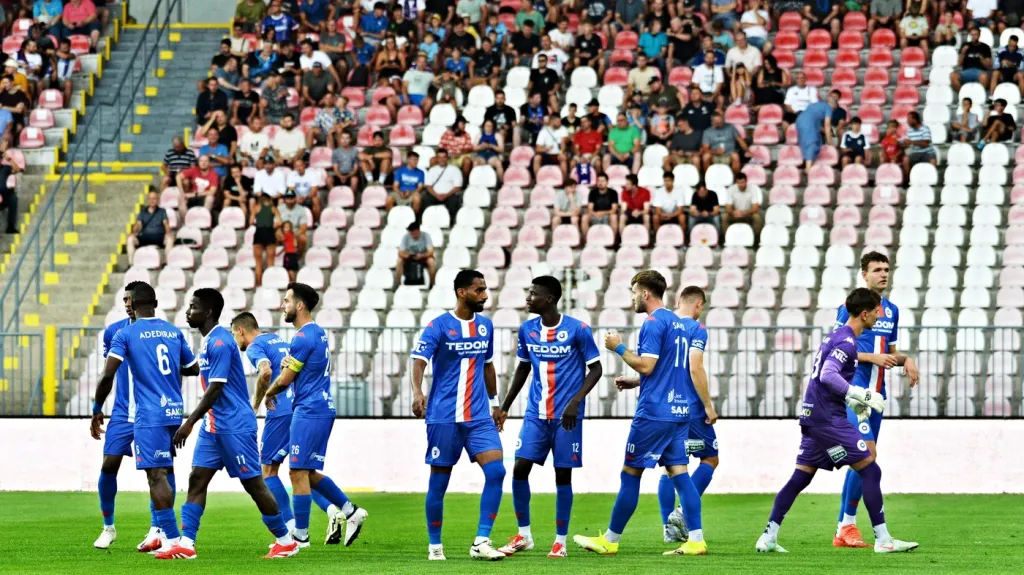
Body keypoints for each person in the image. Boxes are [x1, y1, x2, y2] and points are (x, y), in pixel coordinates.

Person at [756, 288, 919, 555]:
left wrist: (853, 403)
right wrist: (858, 393)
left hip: (813, 415)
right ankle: (883, 540)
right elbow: (828, 375)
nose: (879, 316)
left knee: (800, 477)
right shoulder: (847, 342)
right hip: (828, 419)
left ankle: (768, 536)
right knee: (870, 469)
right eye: (876, 311)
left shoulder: (836, 336)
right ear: (865, 314)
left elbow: (825, 377)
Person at [573, 270, 707, 556]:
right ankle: (696, 539)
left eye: (633, 292)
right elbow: (669, 369)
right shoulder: (679, 323)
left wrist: (617, 347)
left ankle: (610, 540)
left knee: (631, 474)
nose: (632, 297)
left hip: (655, 413)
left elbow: (647, 365)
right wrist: (634, 381)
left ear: (645, 293)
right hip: (680, 410)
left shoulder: (653, 323)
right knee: (680, 475)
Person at [157, 290, 298, 560]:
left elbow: (215, 389)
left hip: (234, 425)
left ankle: (285, 540)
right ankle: (187, 544)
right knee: (197, 479)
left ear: (208, 312)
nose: (187, 311)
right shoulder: (209, 341)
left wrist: (189, 423)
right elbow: (196, 370)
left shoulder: (221, 342)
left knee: (254, 484)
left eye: (193, 307)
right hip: (214, 426)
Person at [494, 276, 602, 558]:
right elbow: (523, 368)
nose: (528, 298)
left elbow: (596, 369)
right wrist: (505, 407)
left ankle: (560, 541)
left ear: (550, 299)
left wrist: (575, 402)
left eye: (533, 294)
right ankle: (524, 535)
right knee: (519, 469)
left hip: (566, 418)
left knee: (562, 475)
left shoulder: (578, 330)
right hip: (536, 415)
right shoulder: (527, 329)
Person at [91, 283, 200, 558]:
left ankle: (162, 533)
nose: (126, 303)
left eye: (128, 299)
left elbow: (107, 374)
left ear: (136, 302)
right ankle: (109, 527)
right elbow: (191, 367)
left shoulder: (128, 333)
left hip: (147, 411)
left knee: (160, 472)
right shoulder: (118, 331)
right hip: (129, 411)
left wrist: (95, 407)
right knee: (111, 465)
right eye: (123, 299)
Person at [263, 283, 370, 546]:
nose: (283, 305)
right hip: (319, 407)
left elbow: (286, 379)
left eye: (287, 300)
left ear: (299, 305)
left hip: (310, 409)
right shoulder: (318, 333)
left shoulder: (301, 337)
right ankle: (350, 511)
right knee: (305, 471)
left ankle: (300, 535)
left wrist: (269, 392)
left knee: (297, 472)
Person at [410, 269, 506, 561]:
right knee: (439, 482)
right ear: (462, 292)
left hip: (478, 416)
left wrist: (496, 402)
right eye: (479, 290)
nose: (485, 295)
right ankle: (435, 545)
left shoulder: (486, 326)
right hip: (443, 416)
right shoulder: (438, 326)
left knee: (497, 471)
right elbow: (418, 361)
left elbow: (488, 366)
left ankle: (481, 541)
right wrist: (417, 392)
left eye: (486, 289)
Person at [830, 253, 920, 547]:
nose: (883, 274)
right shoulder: (851, 308)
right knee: (866, 456)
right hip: (855, 393)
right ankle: (851, 526)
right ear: (864, 275)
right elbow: (836, 349)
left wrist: (907, 360)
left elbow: (890, 353)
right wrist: (872, 358)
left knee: (862, 458)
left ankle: (845, 528)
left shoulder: (891, 310)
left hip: (877, 396)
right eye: (877, 270)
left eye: (886, 269)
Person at [796, 90, 840, 170]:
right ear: (833, 105)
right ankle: (808, 168)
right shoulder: (828, 108)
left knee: (813, 141)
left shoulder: (816, 105)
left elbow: (818, 126)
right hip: (809, 122)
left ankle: (810, 165)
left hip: (800, 120)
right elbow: (827, 125)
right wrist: (830, 143)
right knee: (812, 143)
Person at [127, 191, 174, 264]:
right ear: (148, 200)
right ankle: (131, 264)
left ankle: (168, 263)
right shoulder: (142, 212)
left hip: (159, 237)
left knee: (170, 239)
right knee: (130, 239)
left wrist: (168, 232)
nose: (152, 201)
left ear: (158, 200)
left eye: (154, 198)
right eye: (150, 199)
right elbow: (137, 224)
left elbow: (166, 224)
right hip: (145, 237)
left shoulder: (162, 211)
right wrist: (133, 232)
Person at [422, 149, 464, 219]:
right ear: (437, 159)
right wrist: (437, 195)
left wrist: (446, 195)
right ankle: (427, 219)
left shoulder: (455, 169)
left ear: (447, 158)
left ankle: (450, 221)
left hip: (449, 195)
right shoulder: (432, 170)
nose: (442, 159)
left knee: (454, 200)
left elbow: (457, 187)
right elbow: (428, 186)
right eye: (439, 157)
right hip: (435, 195)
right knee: (426, 199)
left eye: (444, 157)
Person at [722, 173, 763, 244]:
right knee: (724, 216)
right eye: (738, 183)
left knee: (757, 217)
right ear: (736, 183)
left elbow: (755, 208)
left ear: (746, 181)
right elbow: (728, 208)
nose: (741, 185)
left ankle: (755, 241)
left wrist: (744, 212)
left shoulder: (753, 189)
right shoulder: (731, 190)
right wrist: (734, 212)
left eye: (742, 182)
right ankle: (726, 239)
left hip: (748, 213)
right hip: (735, 213)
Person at [251, 194, 280, 287]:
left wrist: (258, 225)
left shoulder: (256, 207)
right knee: (270, 261)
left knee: (258, 263)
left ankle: (259, 285)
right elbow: (279, 221)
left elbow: (251, 221)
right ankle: (270, 284)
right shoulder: (273, 208)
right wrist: (271, 227)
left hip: (259, 232)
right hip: (269, 232)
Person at [950, 27, 991, 91]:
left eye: (975, 35)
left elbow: (988, 66)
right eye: (972, 35)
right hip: (966, 71)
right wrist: (963, 53)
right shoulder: (965, 45)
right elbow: (959, 64)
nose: (973, 37)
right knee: (952, 75)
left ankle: (979, 96)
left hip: (979, 72)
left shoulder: (985, 47)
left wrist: (982, 59)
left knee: (984, 76)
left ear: (979, 35)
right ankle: (963, 94)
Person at [397, 221, 436, 286]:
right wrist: (406, 255)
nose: (412, 233)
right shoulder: (406, 237)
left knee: (431, 261)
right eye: (411, 231)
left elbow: (431, 251)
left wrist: (423, 255)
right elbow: (400, 252)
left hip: (423, 257)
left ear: (418, 230)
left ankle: (431, 284)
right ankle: (399, 284)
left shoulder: (426, 236)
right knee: (399, 261)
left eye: (413, 231)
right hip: (409, 257)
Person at [582, 173, 619, 238]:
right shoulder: (592, 192)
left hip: (608, 215)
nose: (600, 183)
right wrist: (595, 214)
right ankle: (587, 240)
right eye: (598, 181)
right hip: (595, 215)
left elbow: (613, 210)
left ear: (607, 182)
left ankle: (612, 241)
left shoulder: (613, 192)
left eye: (602, 181)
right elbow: (590, 209)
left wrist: (602, 213)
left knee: (614, 217)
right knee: (584, 217)